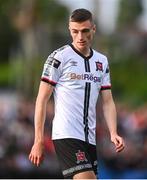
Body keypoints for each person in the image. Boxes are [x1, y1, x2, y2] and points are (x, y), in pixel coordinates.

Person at [29, 8, 125, 179]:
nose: (80, 37)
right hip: (66, 134)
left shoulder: (101, 61)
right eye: (75, 31)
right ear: (69, 30)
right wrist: (38, 140)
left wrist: (113, 132)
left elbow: (108, 101)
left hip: (90, 138)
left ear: (93, 29)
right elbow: (42, 99)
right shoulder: (59, 57)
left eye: (85, 31)